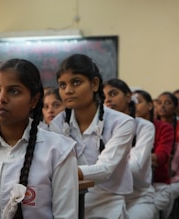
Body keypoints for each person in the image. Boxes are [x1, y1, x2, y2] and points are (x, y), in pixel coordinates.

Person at [0, 58, 78, 218]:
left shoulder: (58, 150)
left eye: (13, 91)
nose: (1, 98)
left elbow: (66, 215)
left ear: (33, 100)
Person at [49, 54, 134, 218]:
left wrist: (61, 173)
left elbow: (105, 170)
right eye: (62, 85)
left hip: (108, 203)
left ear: (94, 84)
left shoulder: (122, 123)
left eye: (76, 82)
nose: (68, 90)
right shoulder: (57, 124)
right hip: (68, 202)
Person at [103, 81, 157, 219]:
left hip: (137, 198)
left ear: (128, 97)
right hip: (107, 198)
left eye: (113, 94)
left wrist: (103, 168)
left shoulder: (144, 126)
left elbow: (136, 167)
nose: (107, 99)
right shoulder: (101, 127)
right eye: (103, 97)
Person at [156, 91, 179, 218]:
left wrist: (164, 177)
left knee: (167, 192)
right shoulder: (151, 126)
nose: (162, 106)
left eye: (168, 103)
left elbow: (177, 161)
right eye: (159, 103)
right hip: (157, 173)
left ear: (176, 108)